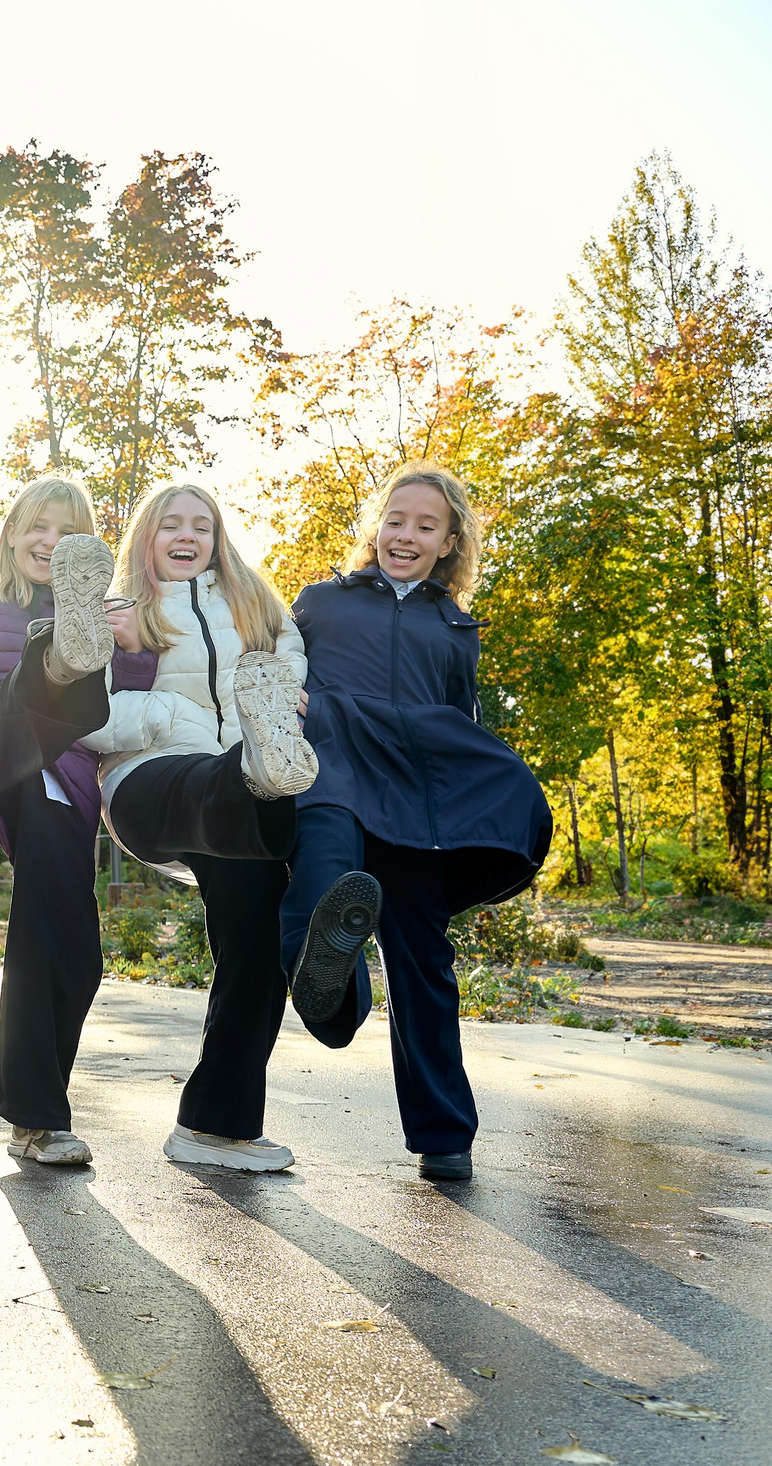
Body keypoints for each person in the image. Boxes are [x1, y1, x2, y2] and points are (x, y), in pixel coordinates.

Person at [280, 462, 553, 1182]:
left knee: (423, 960)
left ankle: (444, 1135)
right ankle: (338, 996)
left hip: (411, 807)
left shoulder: (456, 628)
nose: (406, 534)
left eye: (425, 526)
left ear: (449, 540)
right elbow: (276, 669)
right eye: (396, 520)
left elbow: (455, 727)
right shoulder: (320, 603)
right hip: (333, 778)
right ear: (376, 525)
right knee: (318, 894)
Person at [82, 482, 316, 1173]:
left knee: (259, 945)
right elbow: (84, 714)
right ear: (148, 536)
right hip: (149, 782)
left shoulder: (253, 600)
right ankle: (262, 771)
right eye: (171, 525)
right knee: (227, 777)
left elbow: (289, 653)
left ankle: (213, 1124)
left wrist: (281, 697)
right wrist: (163, 716)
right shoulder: (120, 607)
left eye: (202, 526)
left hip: (238, 803)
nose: (187, 536)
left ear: (218, 539)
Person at [0, 475, 154, 1167]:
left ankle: (37, 1119)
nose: (48, 540)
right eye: (38, 526)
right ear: (12, 533)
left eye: (66, 532)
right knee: (26, 687)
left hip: (61, 780)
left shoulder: (114, 612)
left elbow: (134, 709)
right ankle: (57, 655)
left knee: (69, 943)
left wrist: (136, 646)